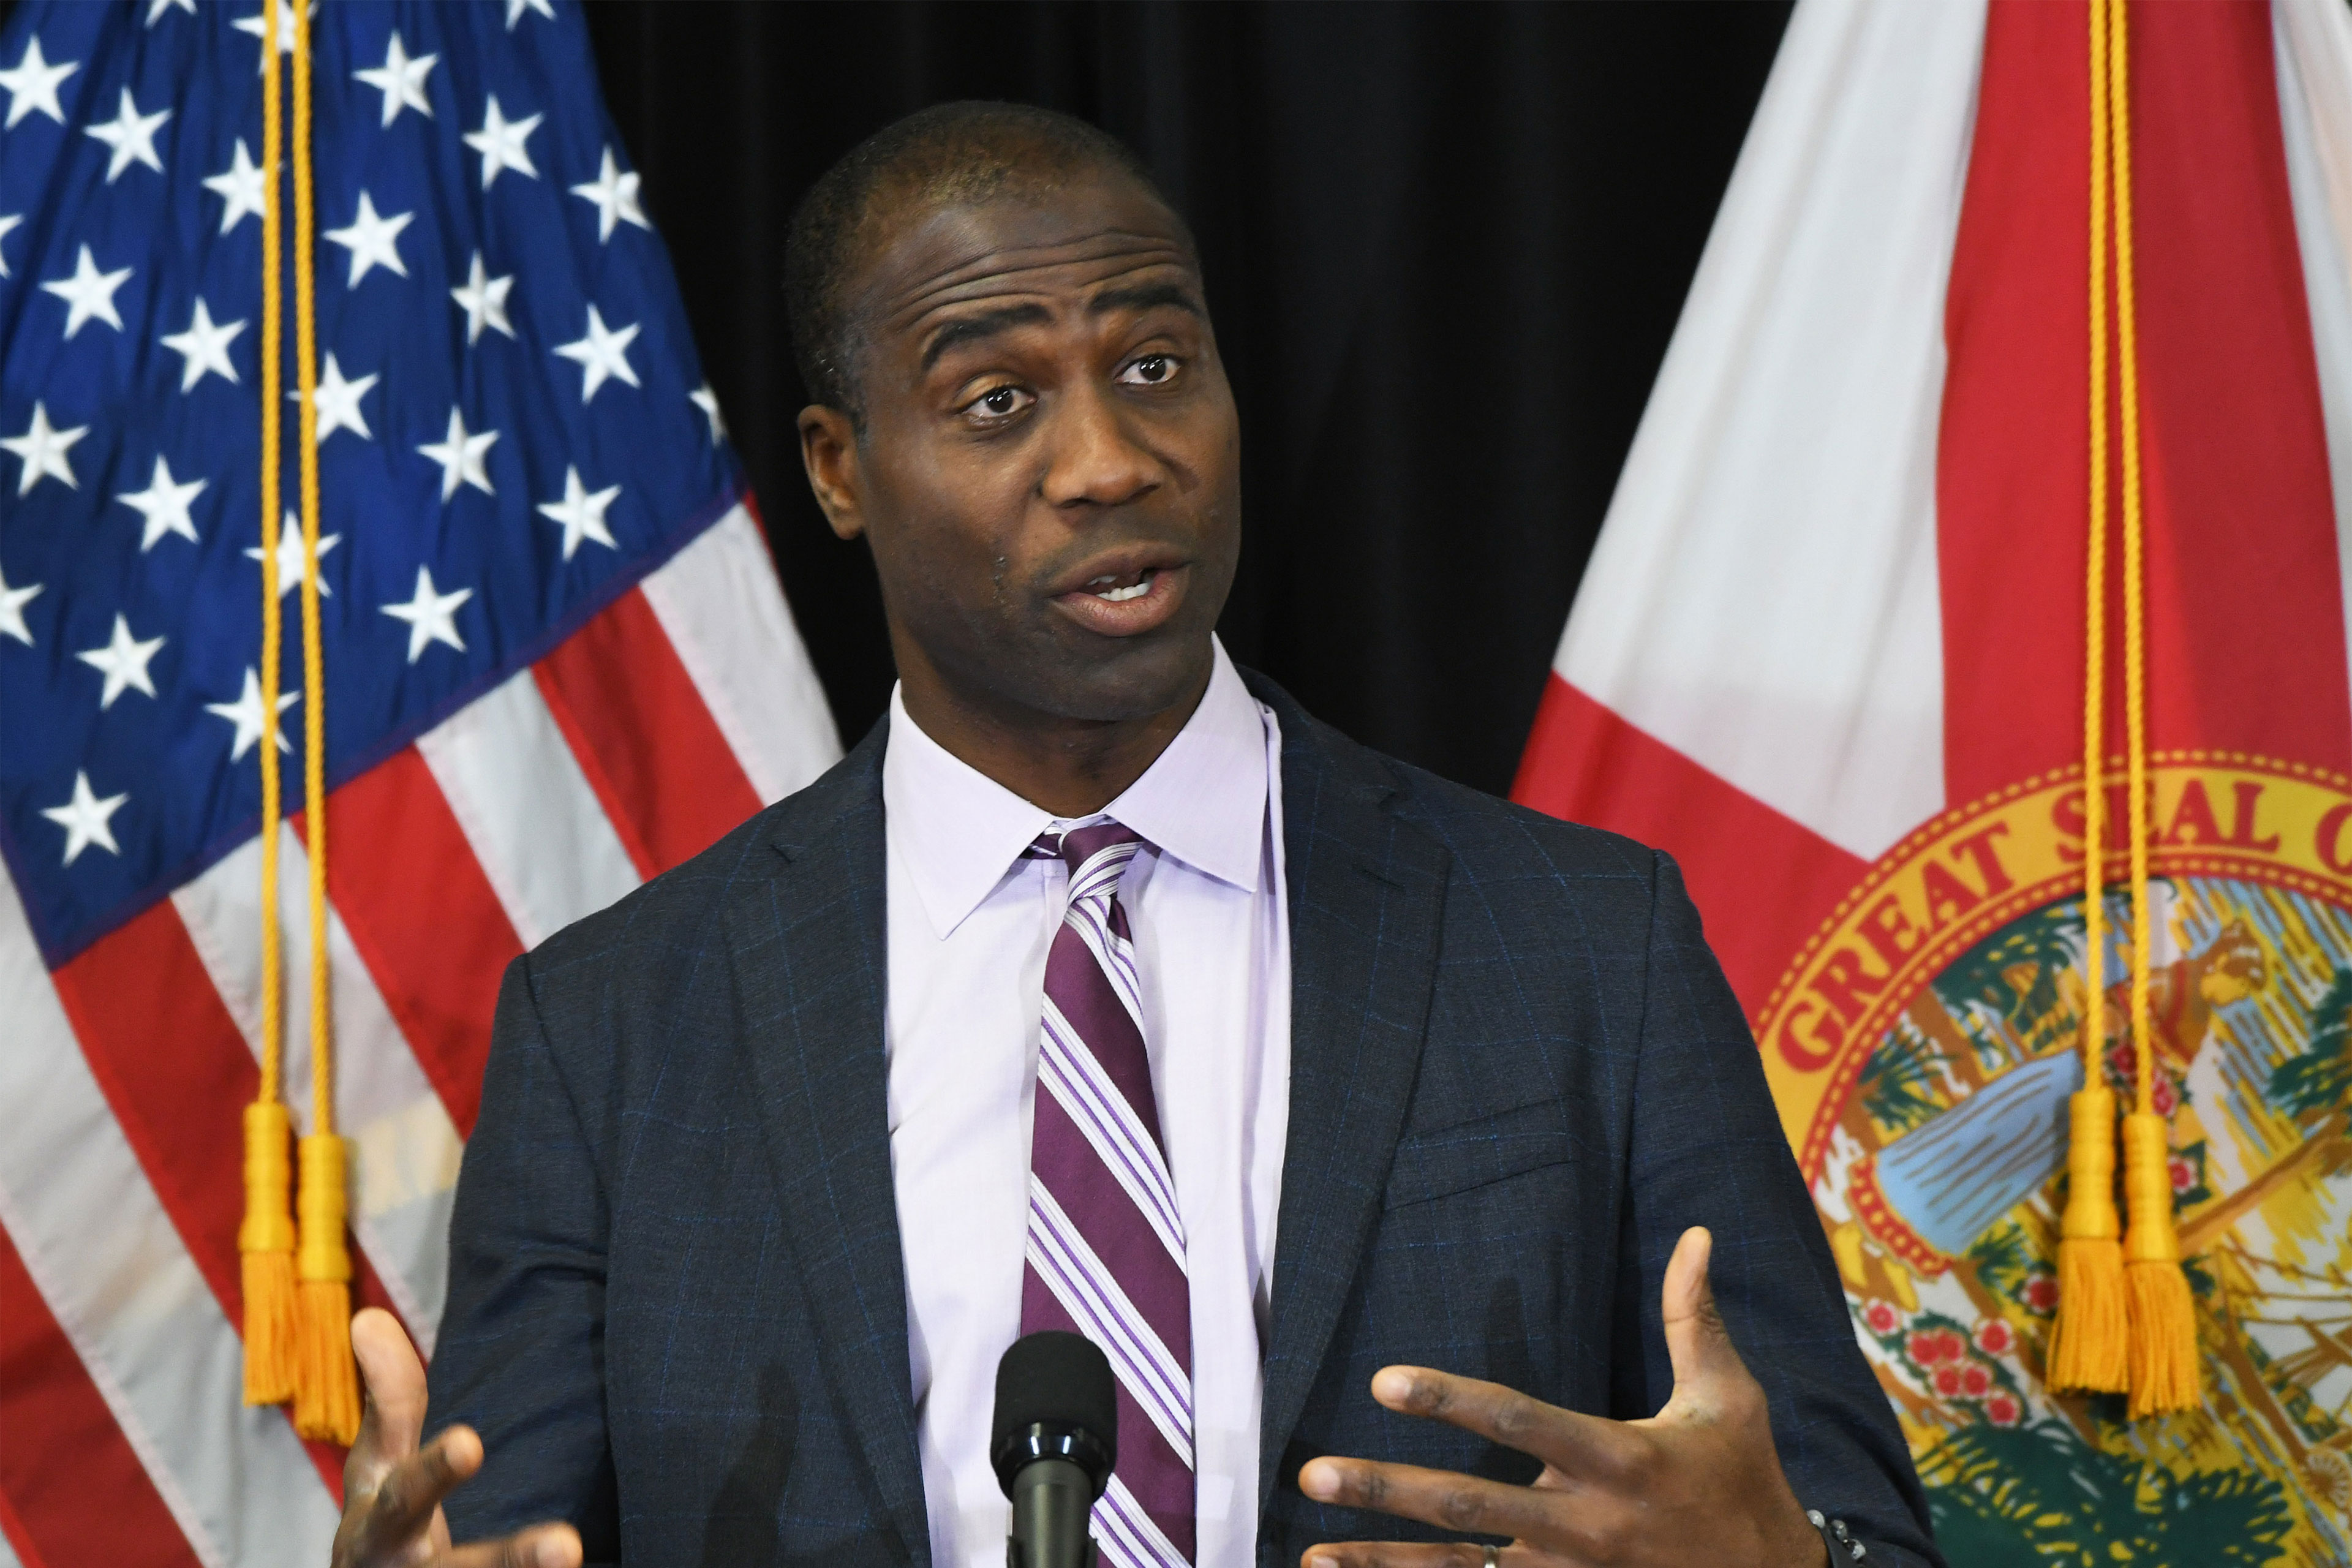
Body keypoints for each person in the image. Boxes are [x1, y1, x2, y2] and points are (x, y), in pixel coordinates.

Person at [328, 102, 1940, 1568]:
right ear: (840, 471)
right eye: (998, 400)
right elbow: (503, 1542)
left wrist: (1793, 1565)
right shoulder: (611, 1030)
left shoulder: (1586, 943)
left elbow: (1855, 1526)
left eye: (1157, 365)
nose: (1109, 460)